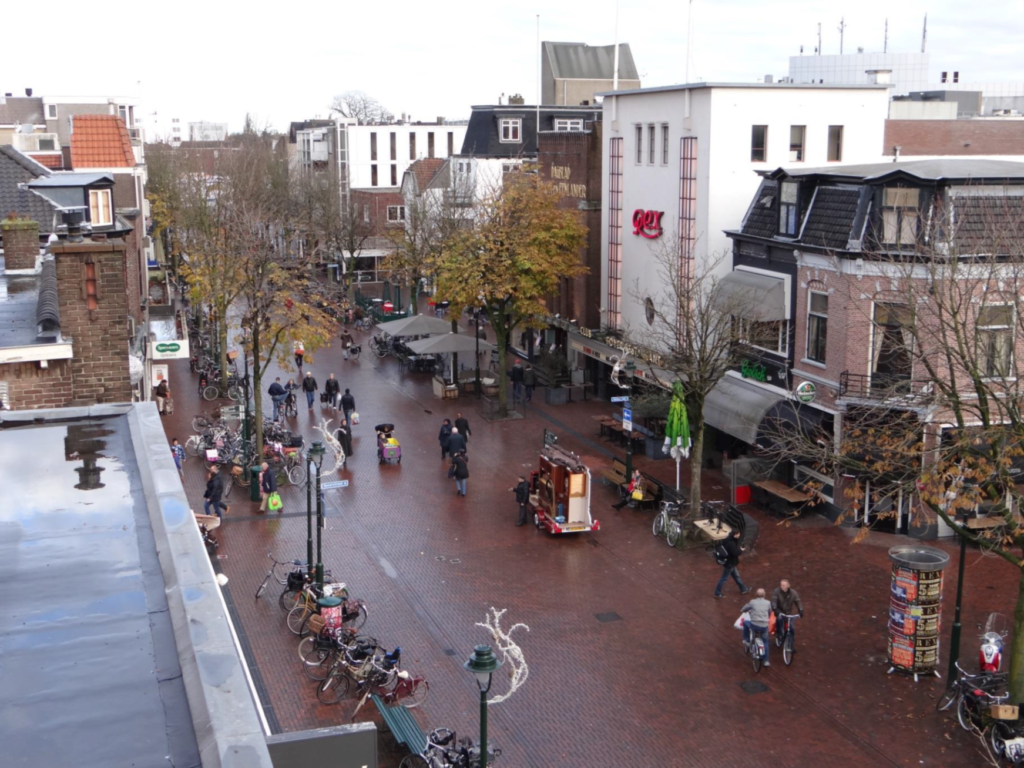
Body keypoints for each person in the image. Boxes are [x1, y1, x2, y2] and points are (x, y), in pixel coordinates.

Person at [741, 588, 773, 667]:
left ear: (756, 595)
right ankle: (766, 661)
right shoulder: (768, 603)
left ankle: (747, 640)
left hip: (755, 625)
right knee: (765, 642)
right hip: (764, 626)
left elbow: (743, 609)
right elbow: (770, 611)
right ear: (764, 595)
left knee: (745, 623)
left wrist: (746, 610)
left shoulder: (752, 602)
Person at [714, 529, 750, 598]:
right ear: (735, 534)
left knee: (736, 576)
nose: (739, 535)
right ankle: (717, 592)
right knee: (724, 578)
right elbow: (734, 553)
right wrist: (740, 550)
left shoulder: (727, 540)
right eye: (738, 534)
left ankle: (743, 589)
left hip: (730, 562)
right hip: (730, 563)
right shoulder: (731, 543)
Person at [771, 579, 804, 652]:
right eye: (781, 585)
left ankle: (791, 646)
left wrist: (800, 610)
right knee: (779, 620)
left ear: (788, 586)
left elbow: (798, 602)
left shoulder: (793, 593)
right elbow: (774, 601)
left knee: (791, 629)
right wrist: (775, 608)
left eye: (783, 585)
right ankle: (779, 634)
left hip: (788, 613)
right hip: (779, 612)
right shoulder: (777, 591)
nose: (781, 586)